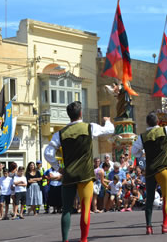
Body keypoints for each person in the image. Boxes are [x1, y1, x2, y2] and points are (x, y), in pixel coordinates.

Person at [44, 101, 116, 242]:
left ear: (68, 115)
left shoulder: (60, 133)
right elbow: (109, 130)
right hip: (85, 175)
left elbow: (48, 153)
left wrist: (58, 168)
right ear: (81, 113)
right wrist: (107, 121)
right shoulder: (90, 128)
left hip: (69, 175)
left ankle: (65, 239)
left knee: (66, 210)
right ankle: (83, 239)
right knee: (85, 208)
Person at [131, 111, 167, 235]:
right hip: (163, 169)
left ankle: (148, 226)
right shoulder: (165, 130)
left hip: (150, 170)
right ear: (158, 122)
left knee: (149, 199)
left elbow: (134, 151)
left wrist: (142, 154)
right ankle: (165, 225)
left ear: (147, 123)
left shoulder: (142, 136)